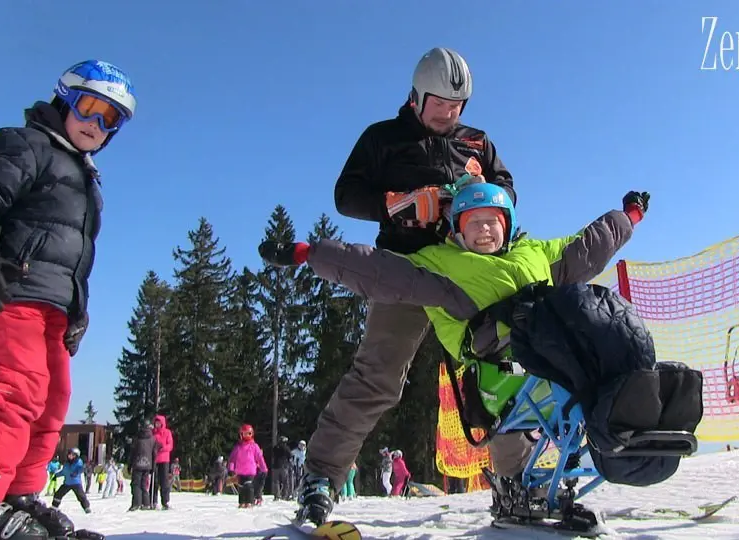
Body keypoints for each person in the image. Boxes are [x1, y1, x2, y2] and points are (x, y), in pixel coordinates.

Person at [259, 183, 649, 523]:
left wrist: (627, 216)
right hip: (494, 369)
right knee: (520, 393)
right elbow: (374, 269)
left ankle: (643, 418)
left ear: (508, 224)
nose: (484, 229)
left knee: (598, 316)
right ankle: (518, 483)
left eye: (492, 220)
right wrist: (308, 254)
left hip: (549, 362)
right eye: (472, 221)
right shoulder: (439, 264)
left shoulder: (534, 252)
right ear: (455, 229)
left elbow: (588, 246)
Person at [293, 46, 514, 524]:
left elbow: (507, 188)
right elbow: (346, 195)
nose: (449, 114)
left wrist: (476, 201)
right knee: (377, 377)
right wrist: (399, 203)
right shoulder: (383, 138)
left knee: (500, 371)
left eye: (457, 106)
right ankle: (321, 478)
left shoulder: (476, 142)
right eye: (440, 104)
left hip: (467, 272)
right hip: (405, 273)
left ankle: (515, 483)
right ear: (416, 95)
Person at [0, 59, 136, 540]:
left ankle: (18, 494)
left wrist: (77, 308)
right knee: (14, 389)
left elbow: (76, 257)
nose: (97, 124)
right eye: (89, 108)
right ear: (63, 98)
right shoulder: (26, 144)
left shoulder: (88, 183)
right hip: (11, 291)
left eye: (111, 119)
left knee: (51, 402)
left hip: (53, 307)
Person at [227, 424, 268, 508]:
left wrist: (264, 468)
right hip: (240, 471)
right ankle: (242, 502)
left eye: (248, 434)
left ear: (251, 434)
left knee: (249, 486)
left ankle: (249, 502)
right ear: (241, 434)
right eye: (244, 434)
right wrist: (231, 469)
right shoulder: (238, 447)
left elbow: (260, 458)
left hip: (250, 471)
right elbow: (232, 459)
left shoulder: (254, 446)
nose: (246, 436)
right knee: (241, 487)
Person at [127, 421, 159, 511]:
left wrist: (129, 466)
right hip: (148, 465)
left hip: (137, 464)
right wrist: (153, 466)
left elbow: (132, 453)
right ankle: (146, 503)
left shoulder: (137, 438)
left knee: (136, 484)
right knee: (144, 484)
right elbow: (154, 453)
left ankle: (136, 503)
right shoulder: (153, 439)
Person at [52, 448, 90, 514]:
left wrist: (76, 472)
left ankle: (86, 507)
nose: (70, 456)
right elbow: (64, 472)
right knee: (58, 494)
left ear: (76, 456)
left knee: (81, 496)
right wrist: (56, 475)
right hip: (67, 483)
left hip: (76, 483)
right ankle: (54, 507)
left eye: (72, 455)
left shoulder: (79, 462)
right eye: (69, 455)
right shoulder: (66, 463)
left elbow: (81, 469)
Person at [150, 414, 173, 509]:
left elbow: (170, 445)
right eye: (156, 423)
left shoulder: (167, 432)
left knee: (164, 482)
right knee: (154, 481)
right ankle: (153, 501)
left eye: (159, 423)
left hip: (164, 460)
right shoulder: (152, 433)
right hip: (154, 459)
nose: (157, 424)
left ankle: (165, 501)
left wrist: (162, 448)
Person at [271, 436, 293, 500]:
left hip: (276, 466)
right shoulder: (286, 448)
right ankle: (284, 495)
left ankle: (277, 495)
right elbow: (290, 456)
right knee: (285, 482)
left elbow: (273, 455)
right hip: (284, 466)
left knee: (276, 482)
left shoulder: (275, 448)